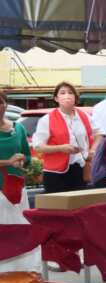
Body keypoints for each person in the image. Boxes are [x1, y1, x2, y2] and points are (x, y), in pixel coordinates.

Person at [33, 82, 92, 194]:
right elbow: (38, 146)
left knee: (78, 207)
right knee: (57, 209)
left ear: (75, 97)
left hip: (79, 169)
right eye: (62, 93)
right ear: (56, 98)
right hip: (55, 173)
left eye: (70, 93)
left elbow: (99, 133)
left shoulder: (83, 116)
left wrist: (92, 150)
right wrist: (60, 148)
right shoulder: (47, 119)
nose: (67, 96)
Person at [0, 91, 34, 270]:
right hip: (0, 192)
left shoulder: (18, 128)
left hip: (16, 189)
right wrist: (7, 162)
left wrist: (22, 159)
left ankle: (22, 272)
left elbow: (27, 157)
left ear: (6, 105)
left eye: (1, 102)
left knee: (20, 231)